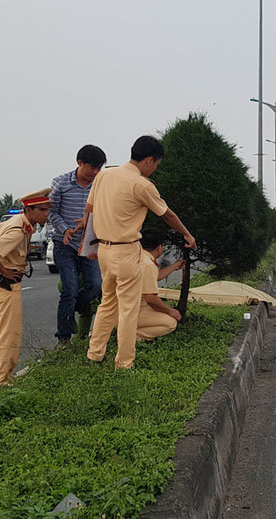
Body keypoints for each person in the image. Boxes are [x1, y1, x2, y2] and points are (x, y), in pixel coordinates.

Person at [83, 135, 196, 370]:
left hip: (103, 250)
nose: (154, 170)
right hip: (125, 251)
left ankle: (95, 353)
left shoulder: (104, 174)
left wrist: (89, 245)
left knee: (107, 303)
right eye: (156, 165)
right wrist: (187, 234)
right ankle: (124, 362)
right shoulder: (142, 185)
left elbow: (90, 211)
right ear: (149, 160)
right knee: (128, 309)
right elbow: (167, 214)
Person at [0, 189, 52, 389]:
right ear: (29, 209)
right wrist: (4, 270)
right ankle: (2, 382)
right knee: (10, 334)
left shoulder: (21, 223)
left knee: (0, 333)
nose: (46, 214)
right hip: (6, 284)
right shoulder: (18, 229)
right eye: (42, 210)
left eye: (48, 210)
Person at [49, 144, 107, 347]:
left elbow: (103, 211)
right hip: (65, 244)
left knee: (96, 284)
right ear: (79, 163)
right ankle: (64, 338)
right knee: (69, 288)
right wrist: (65, 229)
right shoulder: (61, 183)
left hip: (89, 243)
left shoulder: (99, 185)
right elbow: (52, 212)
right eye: (92, 167)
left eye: (99, 168)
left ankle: (76, 308)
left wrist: (90, 223)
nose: (96, 173)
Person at [135, 228, 185, 342]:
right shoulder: (148, 265)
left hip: (121, 308)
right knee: (171, 322)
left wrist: (173, 266)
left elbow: (155, 276)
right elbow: (151, 298)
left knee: (161, 311)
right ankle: (133, 335)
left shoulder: (138, 256)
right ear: (159, 247)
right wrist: (171, 311)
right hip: (134, 311)